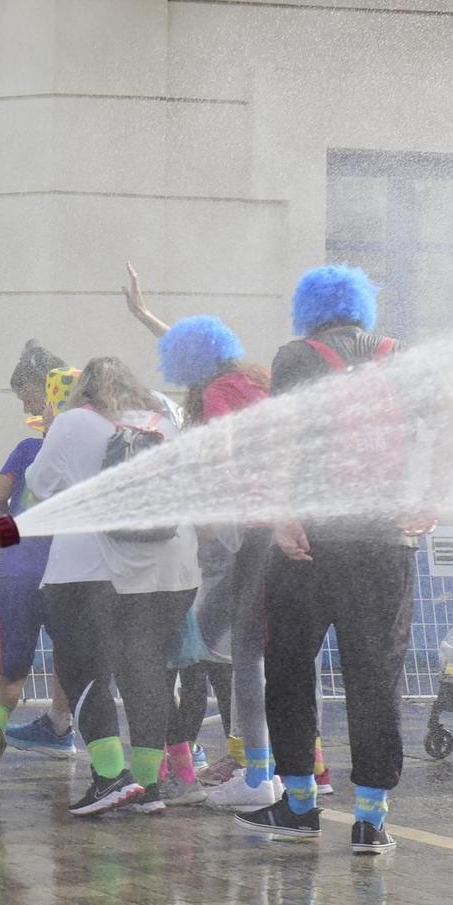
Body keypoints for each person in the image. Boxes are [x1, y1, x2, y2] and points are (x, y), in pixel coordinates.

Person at [236, 265, 453, 854]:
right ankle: (371, 818)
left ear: (308, 309)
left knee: (289, 669)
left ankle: (298, 806)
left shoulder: (297, 356)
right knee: (375, 675)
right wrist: (433, 495)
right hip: (386, 542)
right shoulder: (400, 355)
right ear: (361, 308)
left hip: (310, 543)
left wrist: (284, 511)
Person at [28, 356, 200, 815]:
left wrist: (53, 431)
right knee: (146, 673)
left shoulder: (73, 421)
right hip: (171, 570)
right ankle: (148, 786)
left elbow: (39, 485)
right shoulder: (162, 420)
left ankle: (108, 776)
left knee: (84, 671)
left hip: (88, 569)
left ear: (84, 389)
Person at [156, 315, 282, 811]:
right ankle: (259, 767)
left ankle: (252, 773)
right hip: (280, 527)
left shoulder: (215, 395)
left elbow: (222, 457)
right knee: (209, 644)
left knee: (236, 653)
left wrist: (211, 510)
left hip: (248, 532)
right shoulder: (256, 384)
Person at [0, 350, 73, 787]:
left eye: (28, 395)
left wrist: (10, 525)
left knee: (11, 670)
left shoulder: (29, 449)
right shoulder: (82, 454)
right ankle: (60, 726)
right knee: (68, 658)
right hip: (66, 571)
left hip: (17, 570)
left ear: (46, 391)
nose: (25, 406)